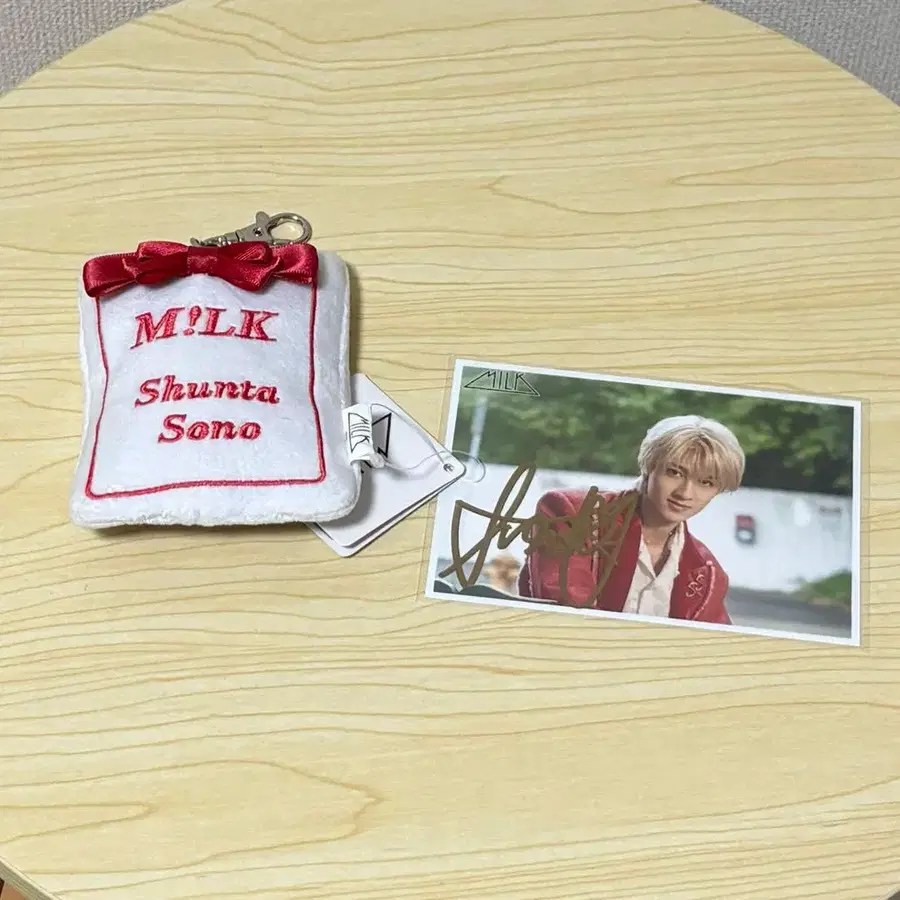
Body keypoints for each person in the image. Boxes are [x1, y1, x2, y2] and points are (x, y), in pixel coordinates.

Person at [517, 415, 745, 624]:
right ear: (649, 467)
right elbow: (567, 619)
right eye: (675, 472)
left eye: (706, 482)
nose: (685, 493)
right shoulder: (575, 515)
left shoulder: (708, 573)